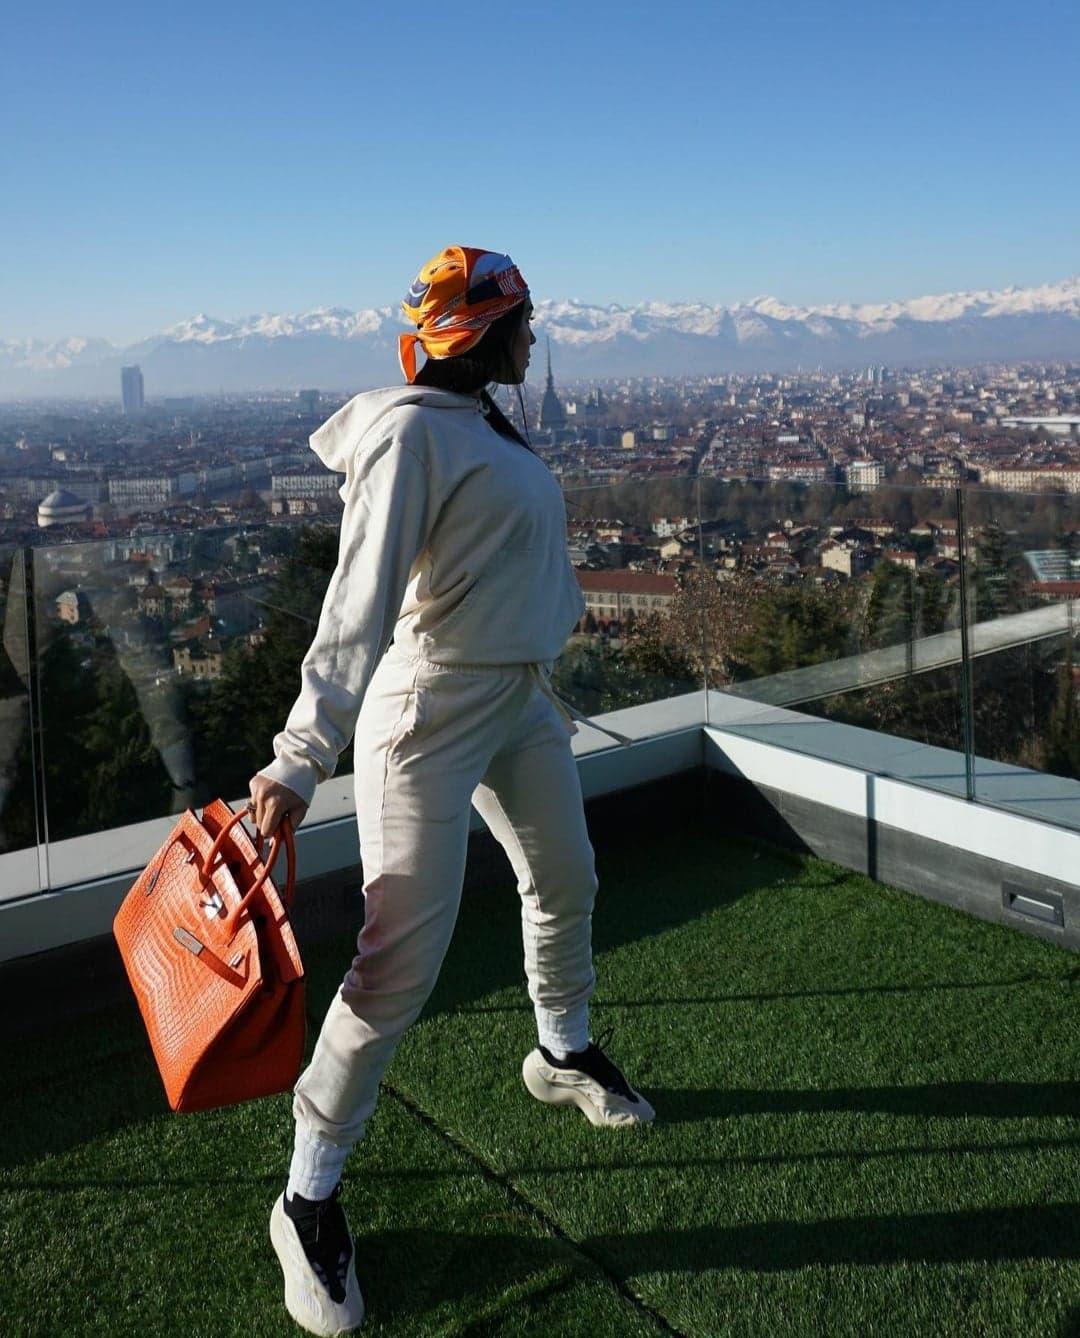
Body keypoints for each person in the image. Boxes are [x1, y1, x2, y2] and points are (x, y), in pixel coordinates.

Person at [252, 245, 654, 1336]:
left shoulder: (475, 421)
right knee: (396, 963)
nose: (536, 336)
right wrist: (300, 756)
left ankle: (560, 1049)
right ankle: (307, 1194)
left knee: (565, 879)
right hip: (428, 711)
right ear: (484, 332)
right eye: (525, 321)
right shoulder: (414, 433)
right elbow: (358, 599)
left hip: (516, 695)